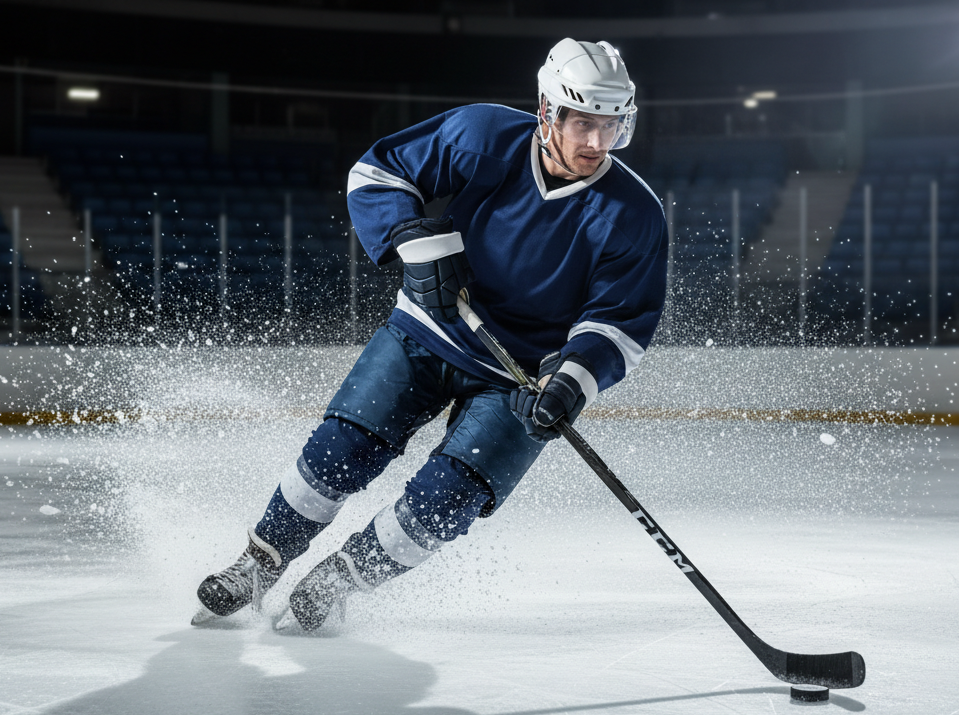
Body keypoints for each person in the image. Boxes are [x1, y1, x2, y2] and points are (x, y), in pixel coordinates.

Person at [192, 38, 667, 632]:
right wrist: (417, 244)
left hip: (519, 378)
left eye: (612, 127)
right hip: (428, 331)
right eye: (584, 125)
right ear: (548, 111)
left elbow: (620, 319)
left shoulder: (635, 213)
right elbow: (376, 172)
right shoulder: (483, 135)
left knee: (448, 500)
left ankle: (340, 580)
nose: (597, 144)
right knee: (341, 450)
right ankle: (258, 565)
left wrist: (571, 380)